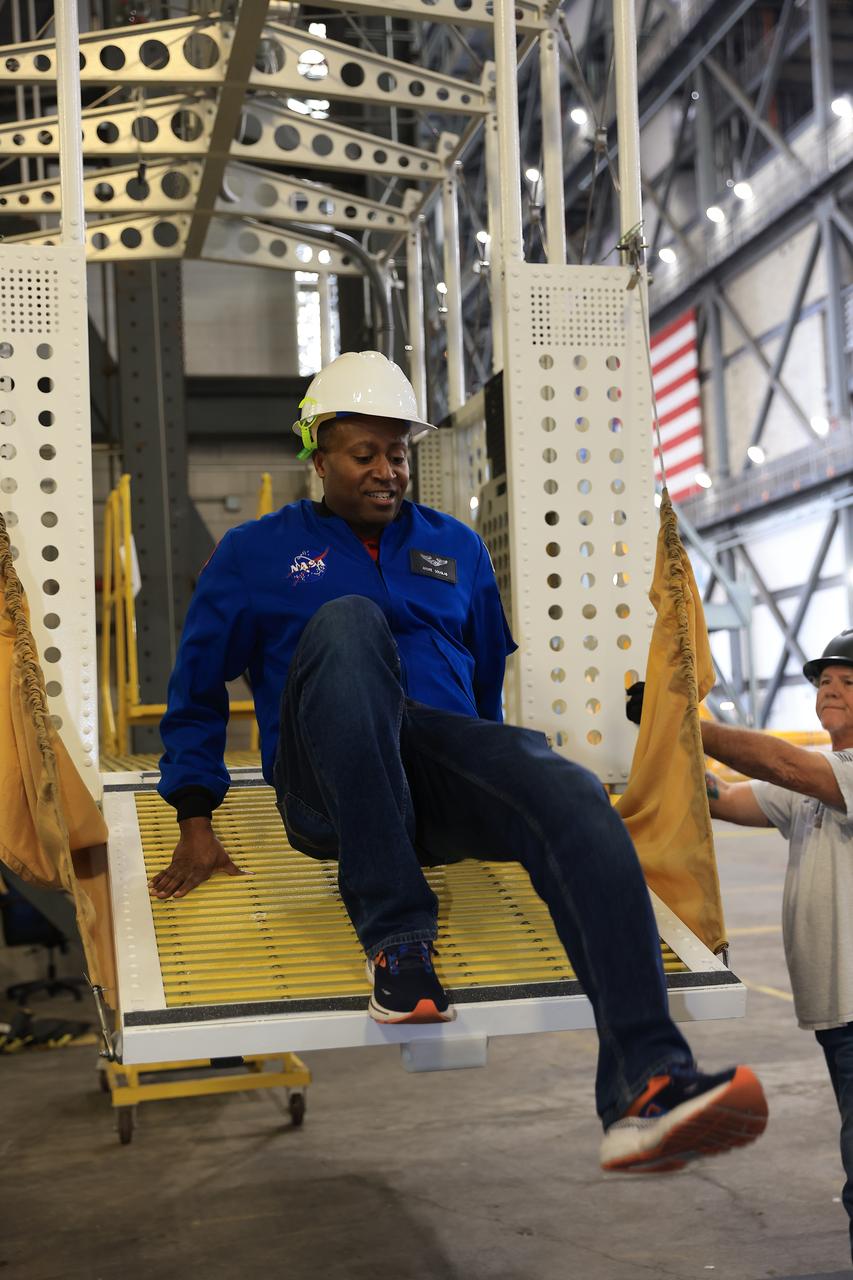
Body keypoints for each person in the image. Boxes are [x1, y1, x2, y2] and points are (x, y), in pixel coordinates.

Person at [151, 349, 767, 1174]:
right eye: (364, 454)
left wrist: (506, 787)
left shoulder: (455, 547)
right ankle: (397, 942)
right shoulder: (255, 553)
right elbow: (193, 692)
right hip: (325, 786)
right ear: (318, 457)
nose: (386, 471)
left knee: (567, 788)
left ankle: (646, 1081)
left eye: (399, 453)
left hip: (433, 767)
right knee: (345, 623)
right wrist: (195, 817)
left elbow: (481, 687)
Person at [696, 629, 853, 1259]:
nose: (830, 690)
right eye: (824, 681)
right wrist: (653, 752)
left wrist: (691, 723)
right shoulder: (817, 786)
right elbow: (727, 800)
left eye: (848, 682)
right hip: (838, 1013)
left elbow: (785, 764)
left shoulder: (826, 774)